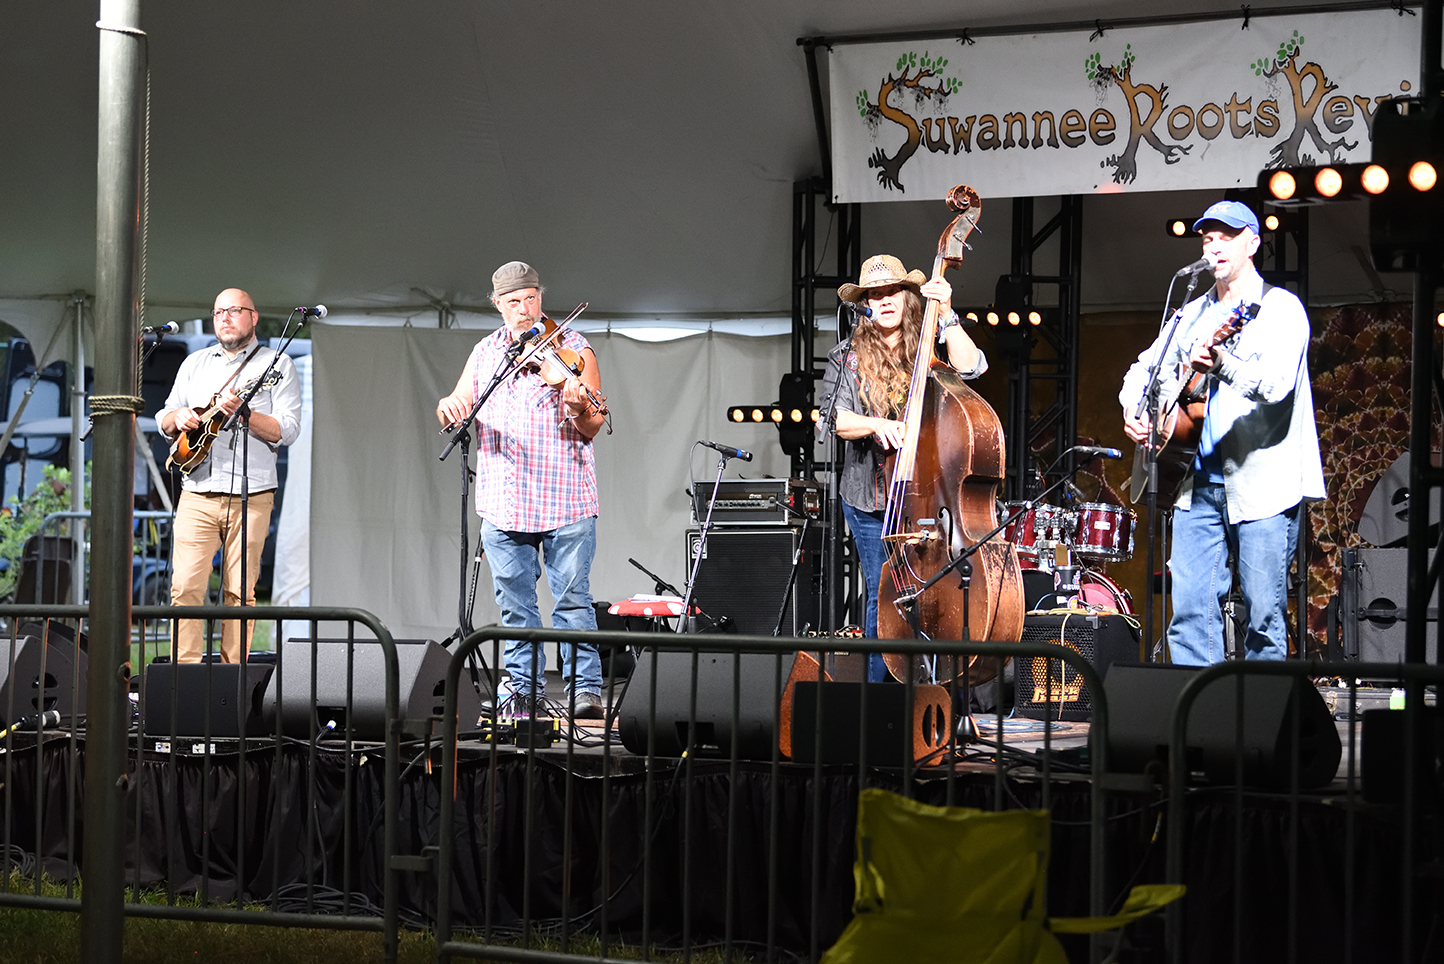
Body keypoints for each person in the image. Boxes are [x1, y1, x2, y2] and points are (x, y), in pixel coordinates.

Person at [1120, 200, 1325, 665]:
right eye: (1207, 238)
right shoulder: (1190, 313)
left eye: (1226, 237)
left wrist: (1223, 364)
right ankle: (1200, 707)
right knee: (1190, 615)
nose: (1214, 246)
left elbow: (1276, 385)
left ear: (1252, 243)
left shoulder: (1279, 309)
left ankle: (1263, 710)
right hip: (1193, 485)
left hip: (1262, 486)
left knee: (1264, 615)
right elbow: (1143, 369)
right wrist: (1134, 407)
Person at [436, 261, 607, 718]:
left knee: (572, 601)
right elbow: (459, 402)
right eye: (514, 301)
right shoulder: (486, 352)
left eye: (531, 298)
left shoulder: (573, 348)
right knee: (515, 607)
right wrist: (448, 405)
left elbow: (593, 424)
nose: (524, 308)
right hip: (504, 502)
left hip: (564, 498)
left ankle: (585, 690)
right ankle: (523, 691)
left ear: (540, 297)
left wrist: (577, 406)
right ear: (498, 304)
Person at [817, 254, 987, 681]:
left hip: (930, 493)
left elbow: (972, 367)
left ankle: (938, 690)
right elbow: (833, 419)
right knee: (885, 592)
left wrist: (947, 315)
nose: (885, 300)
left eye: (892, 291)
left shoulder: (928, 346)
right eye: (875, 294)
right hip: (870, 499)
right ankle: (879, 695)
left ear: (907, 296)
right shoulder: (846, 357)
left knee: (938, 590)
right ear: (865, 304)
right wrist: (878, 425)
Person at [158, 288, 303, 663]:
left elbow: (287, 430)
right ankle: (183, 677)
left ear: (254, 318)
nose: (224, 317)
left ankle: (233, 678)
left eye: (235, 310)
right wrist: (177, 417)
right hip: (197, 491)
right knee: (184, 587)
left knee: (239, 593)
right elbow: (165, 415)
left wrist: (246, 414)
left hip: (251, 494)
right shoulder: (195, 363)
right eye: (218, 311)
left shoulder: (277, 365)